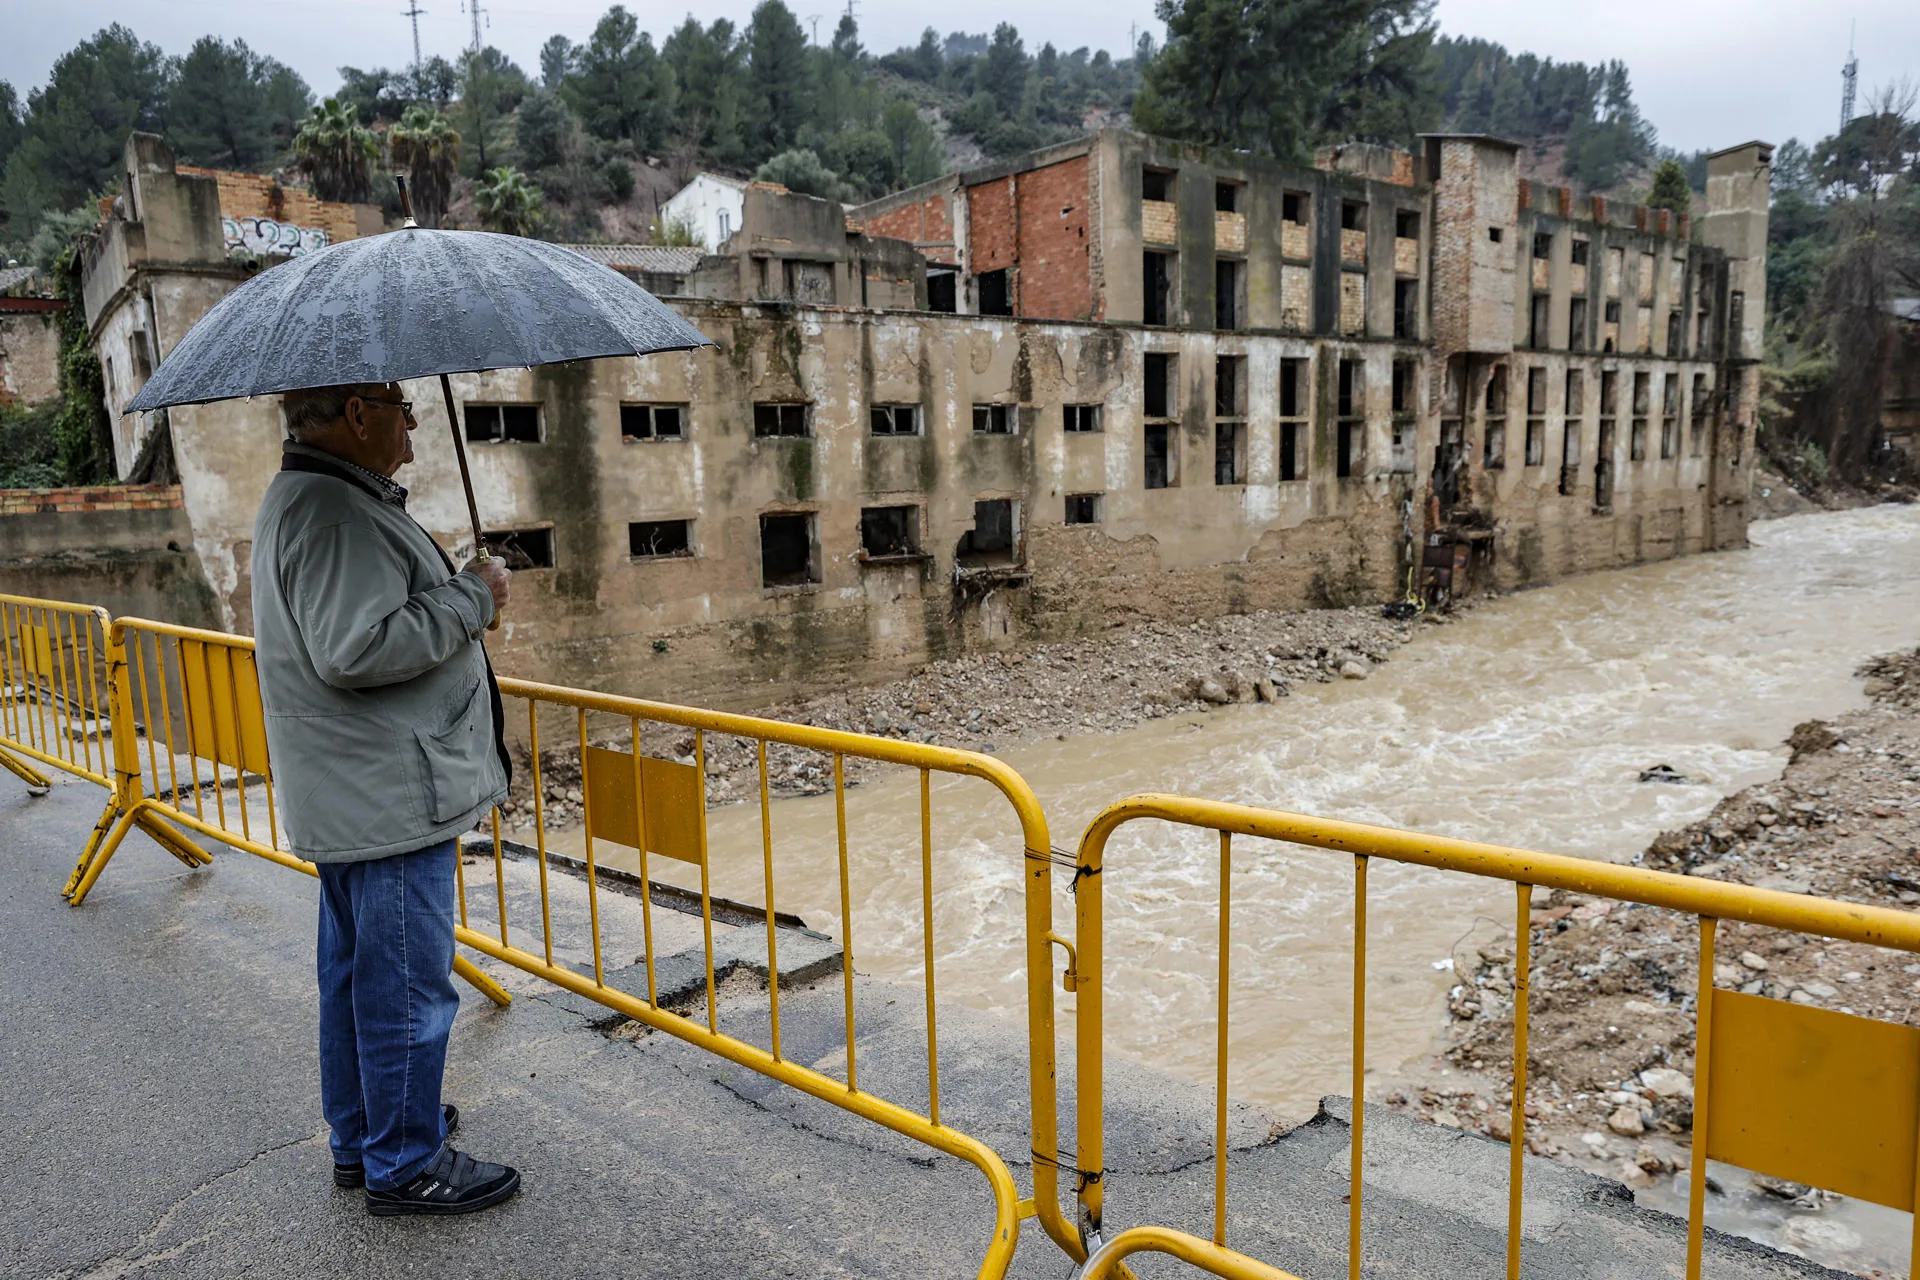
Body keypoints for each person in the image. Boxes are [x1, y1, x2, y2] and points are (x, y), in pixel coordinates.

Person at [250, 381, 522, 1216]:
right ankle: (403, 1162)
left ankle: (366, 1134)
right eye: (402, 406)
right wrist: (475, 594)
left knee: (358, 973)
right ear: (357, 414)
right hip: (386, 792)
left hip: (354, 786)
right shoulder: (334, 513)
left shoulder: (311, 495)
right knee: (405, 982)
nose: (414, 422)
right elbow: (358, 648)